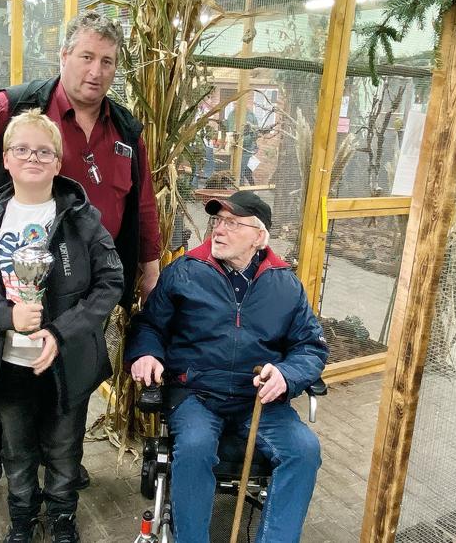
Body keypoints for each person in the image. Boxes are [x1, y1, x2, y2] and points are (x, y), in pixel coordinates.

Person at [0, 9, 162, 530]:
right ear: (64, 56)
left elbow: (143, 203)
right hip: (12, 285)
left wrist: (148, 265)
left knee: (70, 375)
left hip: (84, 288)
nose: (96, 71)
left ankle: (60, 464)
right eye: (86, 56)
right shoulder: (13, 108)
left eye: (108, 61)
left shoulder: (125, 129)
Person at [0, 109, 123, 543]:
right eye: (22, 149)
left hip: (65, 363)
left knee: (64, 450)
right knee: (17, 451)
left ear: (58, 163)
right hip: (8, 363)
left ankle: (62, 517)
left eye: (44, 152)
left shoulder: (82, 217)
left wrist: (62, 331)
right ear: (6, 159)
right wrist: (8, 315)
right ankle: (23, 519)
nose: (33, 157)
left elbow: (110, 282)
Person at [126, 191, 328, 543]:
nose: (219, 230)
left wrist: (287, 375)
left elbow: (310, 347)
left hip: (259, 400)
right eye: (218, 221)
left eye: (233, 224)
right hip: (197, 394)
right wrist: (146, 353)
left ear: (259, 237)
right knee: (194, 448)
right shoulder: (185, 272)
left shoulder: (285, 285)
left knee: (304, 450)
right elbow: (149, 326)